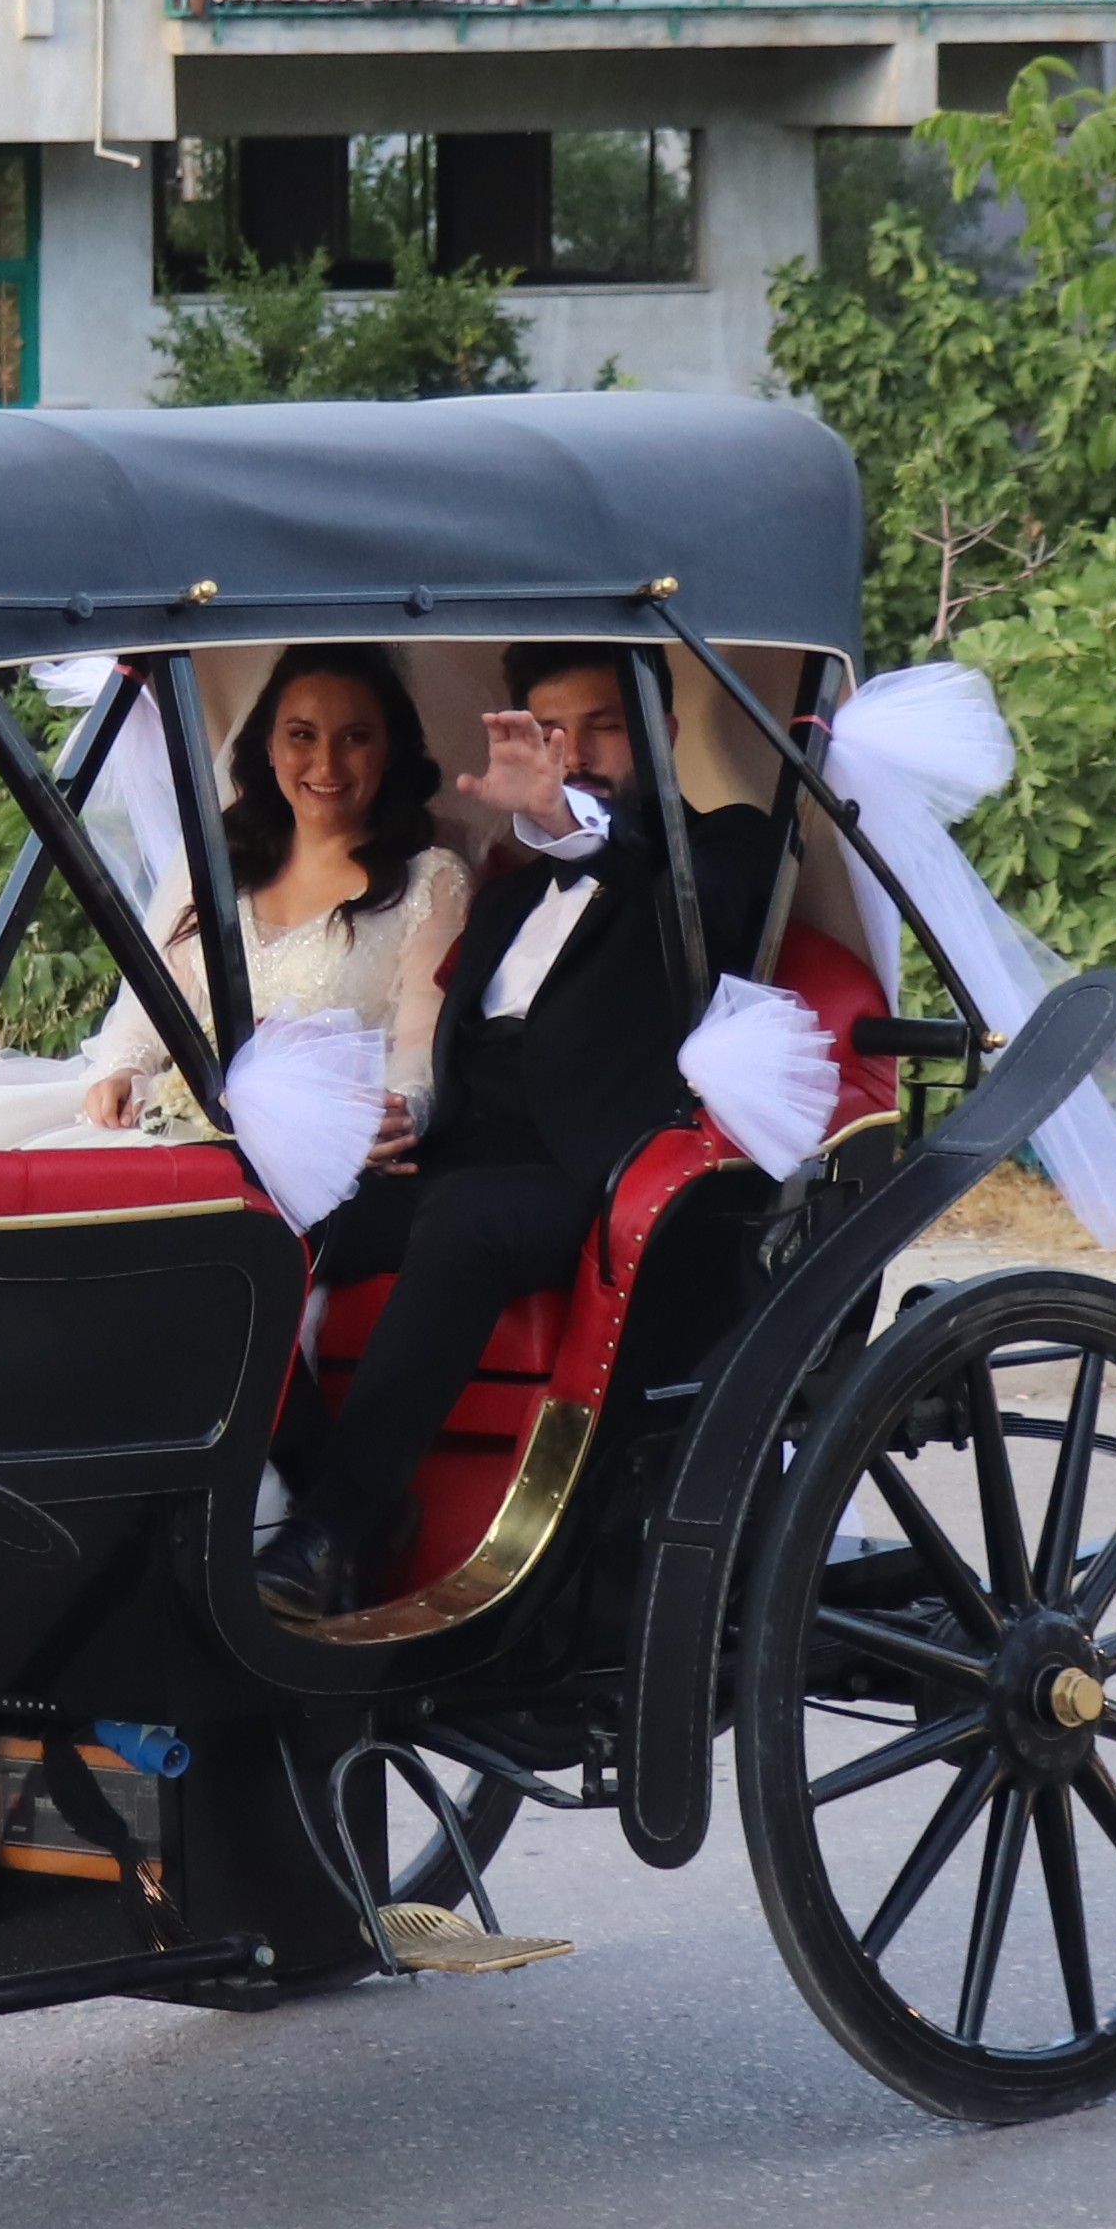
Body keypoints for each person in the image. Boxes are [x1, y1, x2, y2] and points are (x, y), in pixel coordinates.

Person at [260, 641, 792, 1621]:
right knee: (260, 1219)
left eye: (602, 727)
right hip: (464, 1148)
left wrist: (568, 820)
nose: (573, 753)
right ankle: (312, 1481)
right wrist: (398, 1114)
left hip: (590, 1164)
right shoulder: (509, 888)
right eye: (551, 733)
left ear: (664, 737)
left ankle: (337, 1523)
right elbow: (441, 1044)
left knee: (464, 1217)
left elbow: (702, 906)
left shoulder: (725, 851)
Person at [71, 645, 467, 1153]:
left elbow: (422, 1042)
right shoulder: (222, 865)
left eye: (356, 738)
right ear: (270, 748)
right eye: (302, 735)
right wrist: (124, 1069)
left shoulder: (430, 881)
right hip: (185, 1138)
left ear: (388, 751)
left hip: (328, 1146)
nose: (326, 764)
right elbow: (152, 1014)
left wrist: (399, 1112)